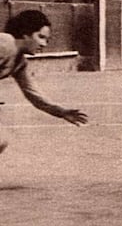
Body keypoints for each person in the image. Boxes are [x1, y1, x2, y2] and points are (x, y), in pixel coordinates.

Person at [0, 10, 88, 154]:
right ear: (25, 33)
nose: (44, 44)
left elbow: (33, 94)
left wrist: (60, 111)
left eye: (46, 39)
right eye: (40, 37)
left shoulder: (19, 62)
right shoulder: (5, 43)